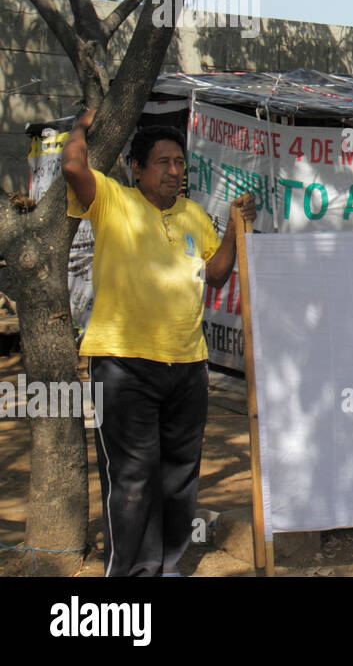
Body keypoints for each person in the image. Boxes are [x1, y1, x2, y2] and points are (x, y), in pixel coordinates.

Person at [62, 108, 256, 575]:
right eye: (164, 163)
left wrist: (233, 227)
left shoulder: (192, 216)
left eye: (180, 164)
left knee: (178, 479)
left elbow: (216, 274)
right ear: (137, 168)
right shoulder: (113, 200)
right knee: (131, 480)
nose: (175, 172)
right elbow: (72, 166)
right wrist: (84, 125)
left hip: (189, 366)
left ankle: (166, 566)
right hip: (122, 366)